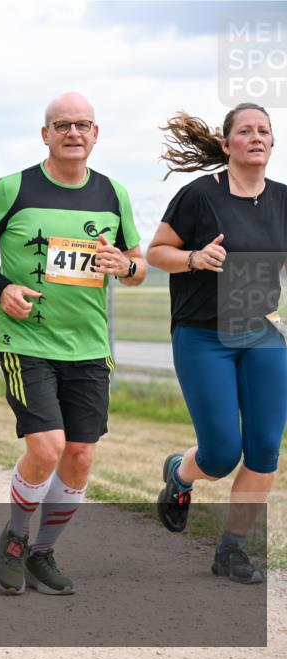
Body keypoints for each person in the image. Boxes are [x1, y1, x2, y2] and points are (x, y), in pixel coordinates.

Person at [0, 92, 146, 596]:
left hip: (89, 346)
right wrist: (1, 287)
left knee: (79, 456)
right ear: (46, 134)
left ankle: (43, 553)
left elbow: (137, 264)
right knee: (47, 447)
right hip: (28, 341)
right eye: (62, 125)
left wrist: (124, 266)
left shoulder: (113, 195)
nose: (73, 133)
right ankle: (16, 538)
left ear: (96, 133)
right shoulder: (13, 188)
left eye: (83, 124)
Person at [148, 103, 286, 584]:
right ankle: (181, 475)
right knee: (222, 454)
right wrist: (193, 257)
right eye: (245, 131)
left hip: (262, 333)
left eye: (263, 131)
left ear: (272, 142)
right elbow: (156, 252)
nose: (256, 137)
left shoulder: (284, 200)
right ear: (226, 144)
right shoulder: (199, 197)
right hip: (203, 333)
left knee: (265, 449)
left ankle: (232, 550)